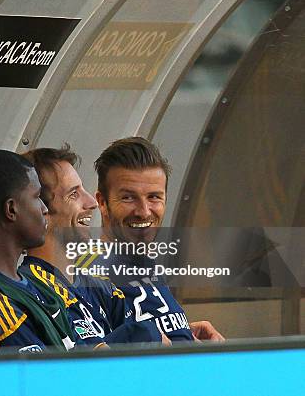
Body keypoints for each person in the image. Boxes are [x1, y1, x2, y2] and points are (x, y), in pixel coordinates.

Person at [21, 146, 164, 345]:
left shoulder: (100, 288)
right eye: (73, 195)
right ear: (41, 211)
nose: (92, 202)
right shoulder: (34, 293)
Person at [90, 137, 224, 341]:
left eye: (154, 197)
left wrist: (184, 334)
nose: (144, 212)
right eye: (128, 197)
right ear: (102, 202)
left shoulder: (143, 263)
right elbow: (93, 359)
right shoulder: (90, 275)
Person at [0, 149, 76, 353]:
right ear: (11, 209)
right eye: (37, 196)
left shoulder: (36, 285)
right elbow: (51, 378)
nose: (44, 208)